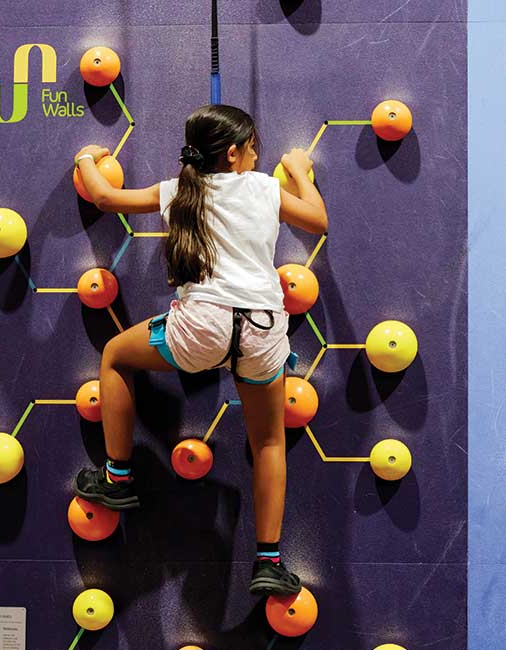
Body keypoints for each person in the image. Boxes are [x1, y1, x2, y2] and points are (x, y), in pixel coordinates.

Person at [71, 104, 327, 597]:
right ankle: (269, 561)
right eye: (253, 147)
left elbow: (103, 197)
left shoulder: (177, 190)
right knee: (270, 441)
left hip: (200, 326)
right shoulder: (266, 187)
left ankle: (118, 477)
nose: (258, 155)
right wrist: (297, 171)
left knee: (116, 358)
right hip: (262, 328)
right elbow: (317, 220)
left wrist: (86, 156)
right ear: (232, 154)